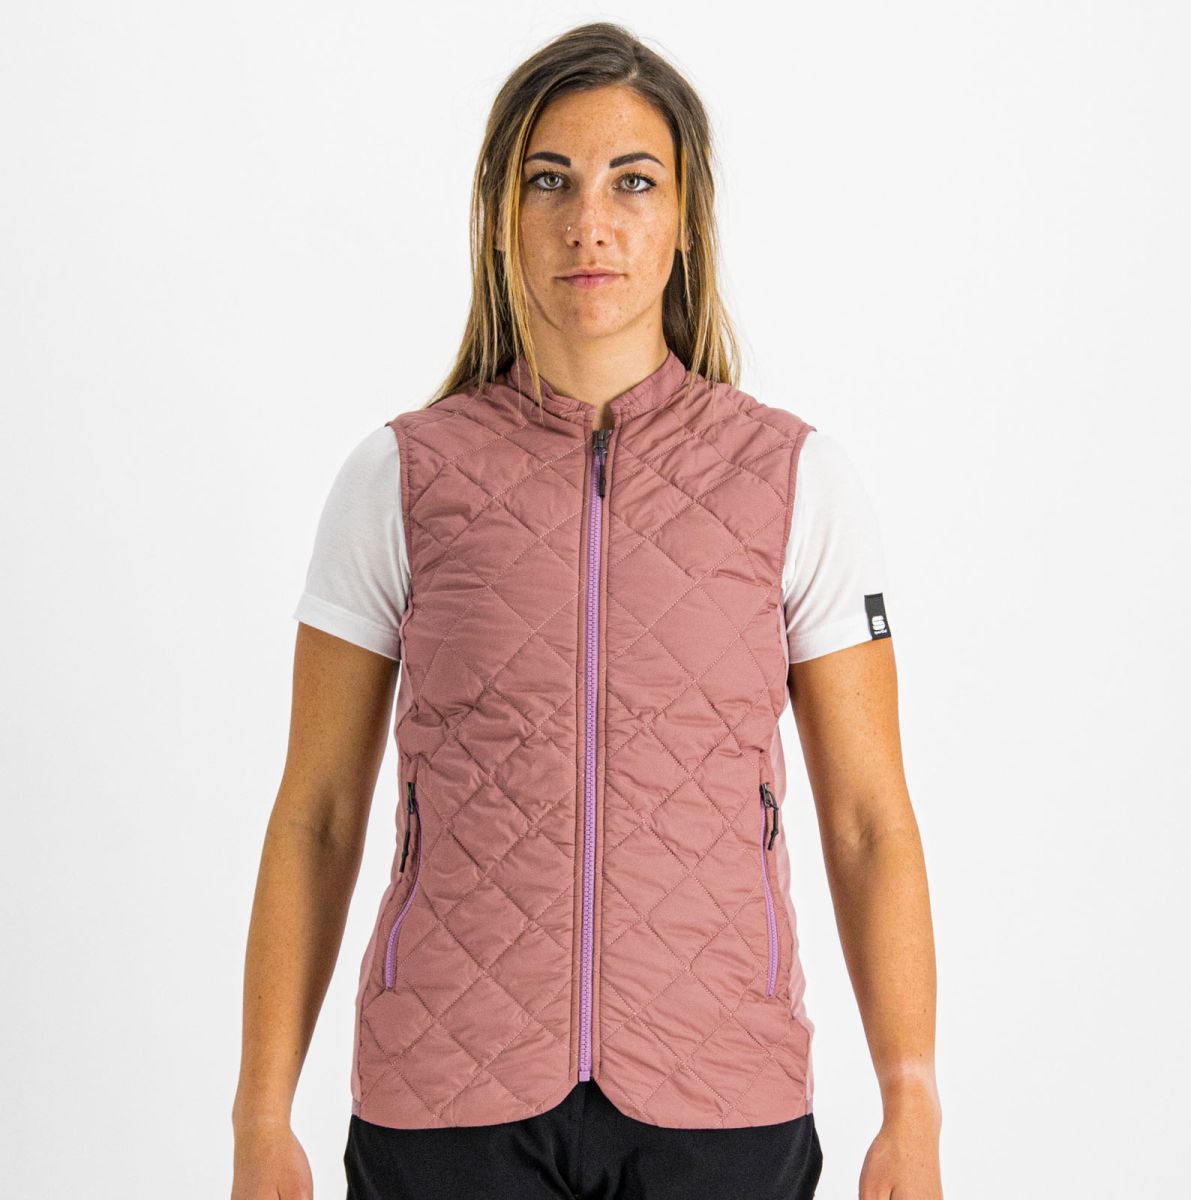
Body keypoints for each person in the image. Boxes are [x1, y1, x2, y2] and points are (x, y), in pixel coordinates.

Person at [231, 21, 942, 1200]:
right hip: (445, 1107)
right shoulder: (399, 477)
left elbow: (869, 819)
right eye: (549, 181)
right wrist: (262, 1117)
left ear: (687, 219)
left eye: (634, 182)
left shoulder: (794, 480)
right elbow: (315, 815)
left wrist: (910, 1101)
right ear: (500, 215)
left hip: (723, 1100)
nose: (589, 223)